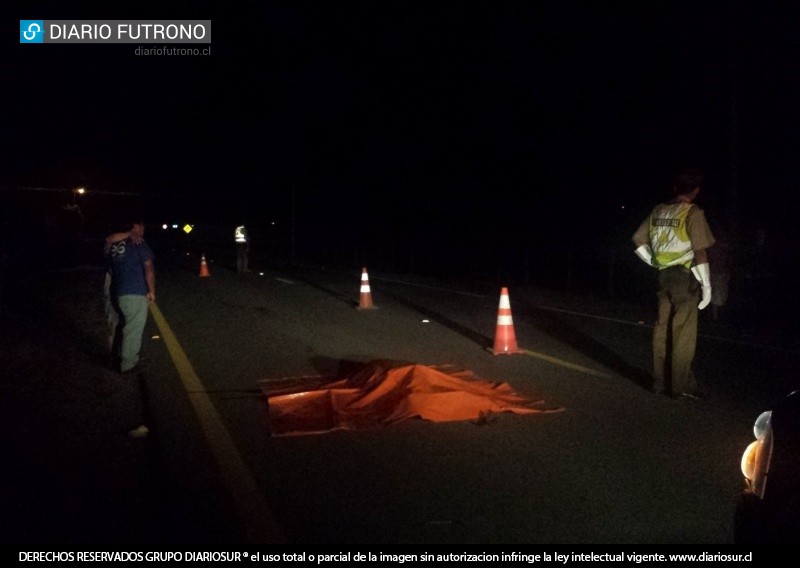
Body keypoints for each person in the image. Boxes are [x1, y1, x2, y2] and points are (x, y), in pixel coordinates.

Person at [632, 168, 716, 400]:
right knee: (683, 333)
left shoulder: (659, 210)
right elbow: (700, 252)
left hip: (663, 277)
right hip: (684, 277)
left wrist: (653, 261)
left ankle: (659, 382)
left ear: (675, 188)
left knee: (662, 329)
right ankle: (680, 386)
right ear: (696, 191)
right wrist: (707, 286)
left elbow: (638, 240)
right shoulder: (692, 213)